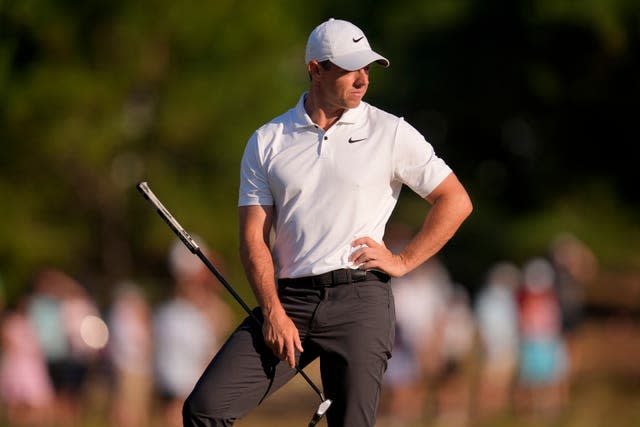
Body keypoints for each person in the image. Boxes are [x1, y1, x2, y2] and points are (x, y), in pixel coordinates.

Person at [183, 18, 472, 427]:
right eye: (350, 67)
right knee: (205, 409)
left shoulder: (390, 132)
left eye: (368, 68)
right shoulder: (268, 140)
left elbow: (455, 200)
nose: (362, 79)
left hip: (360, 301)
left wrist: (403, 261)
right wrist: (272, 311)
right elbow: (252, 238)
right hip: (290, 301)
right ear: (315, 69)